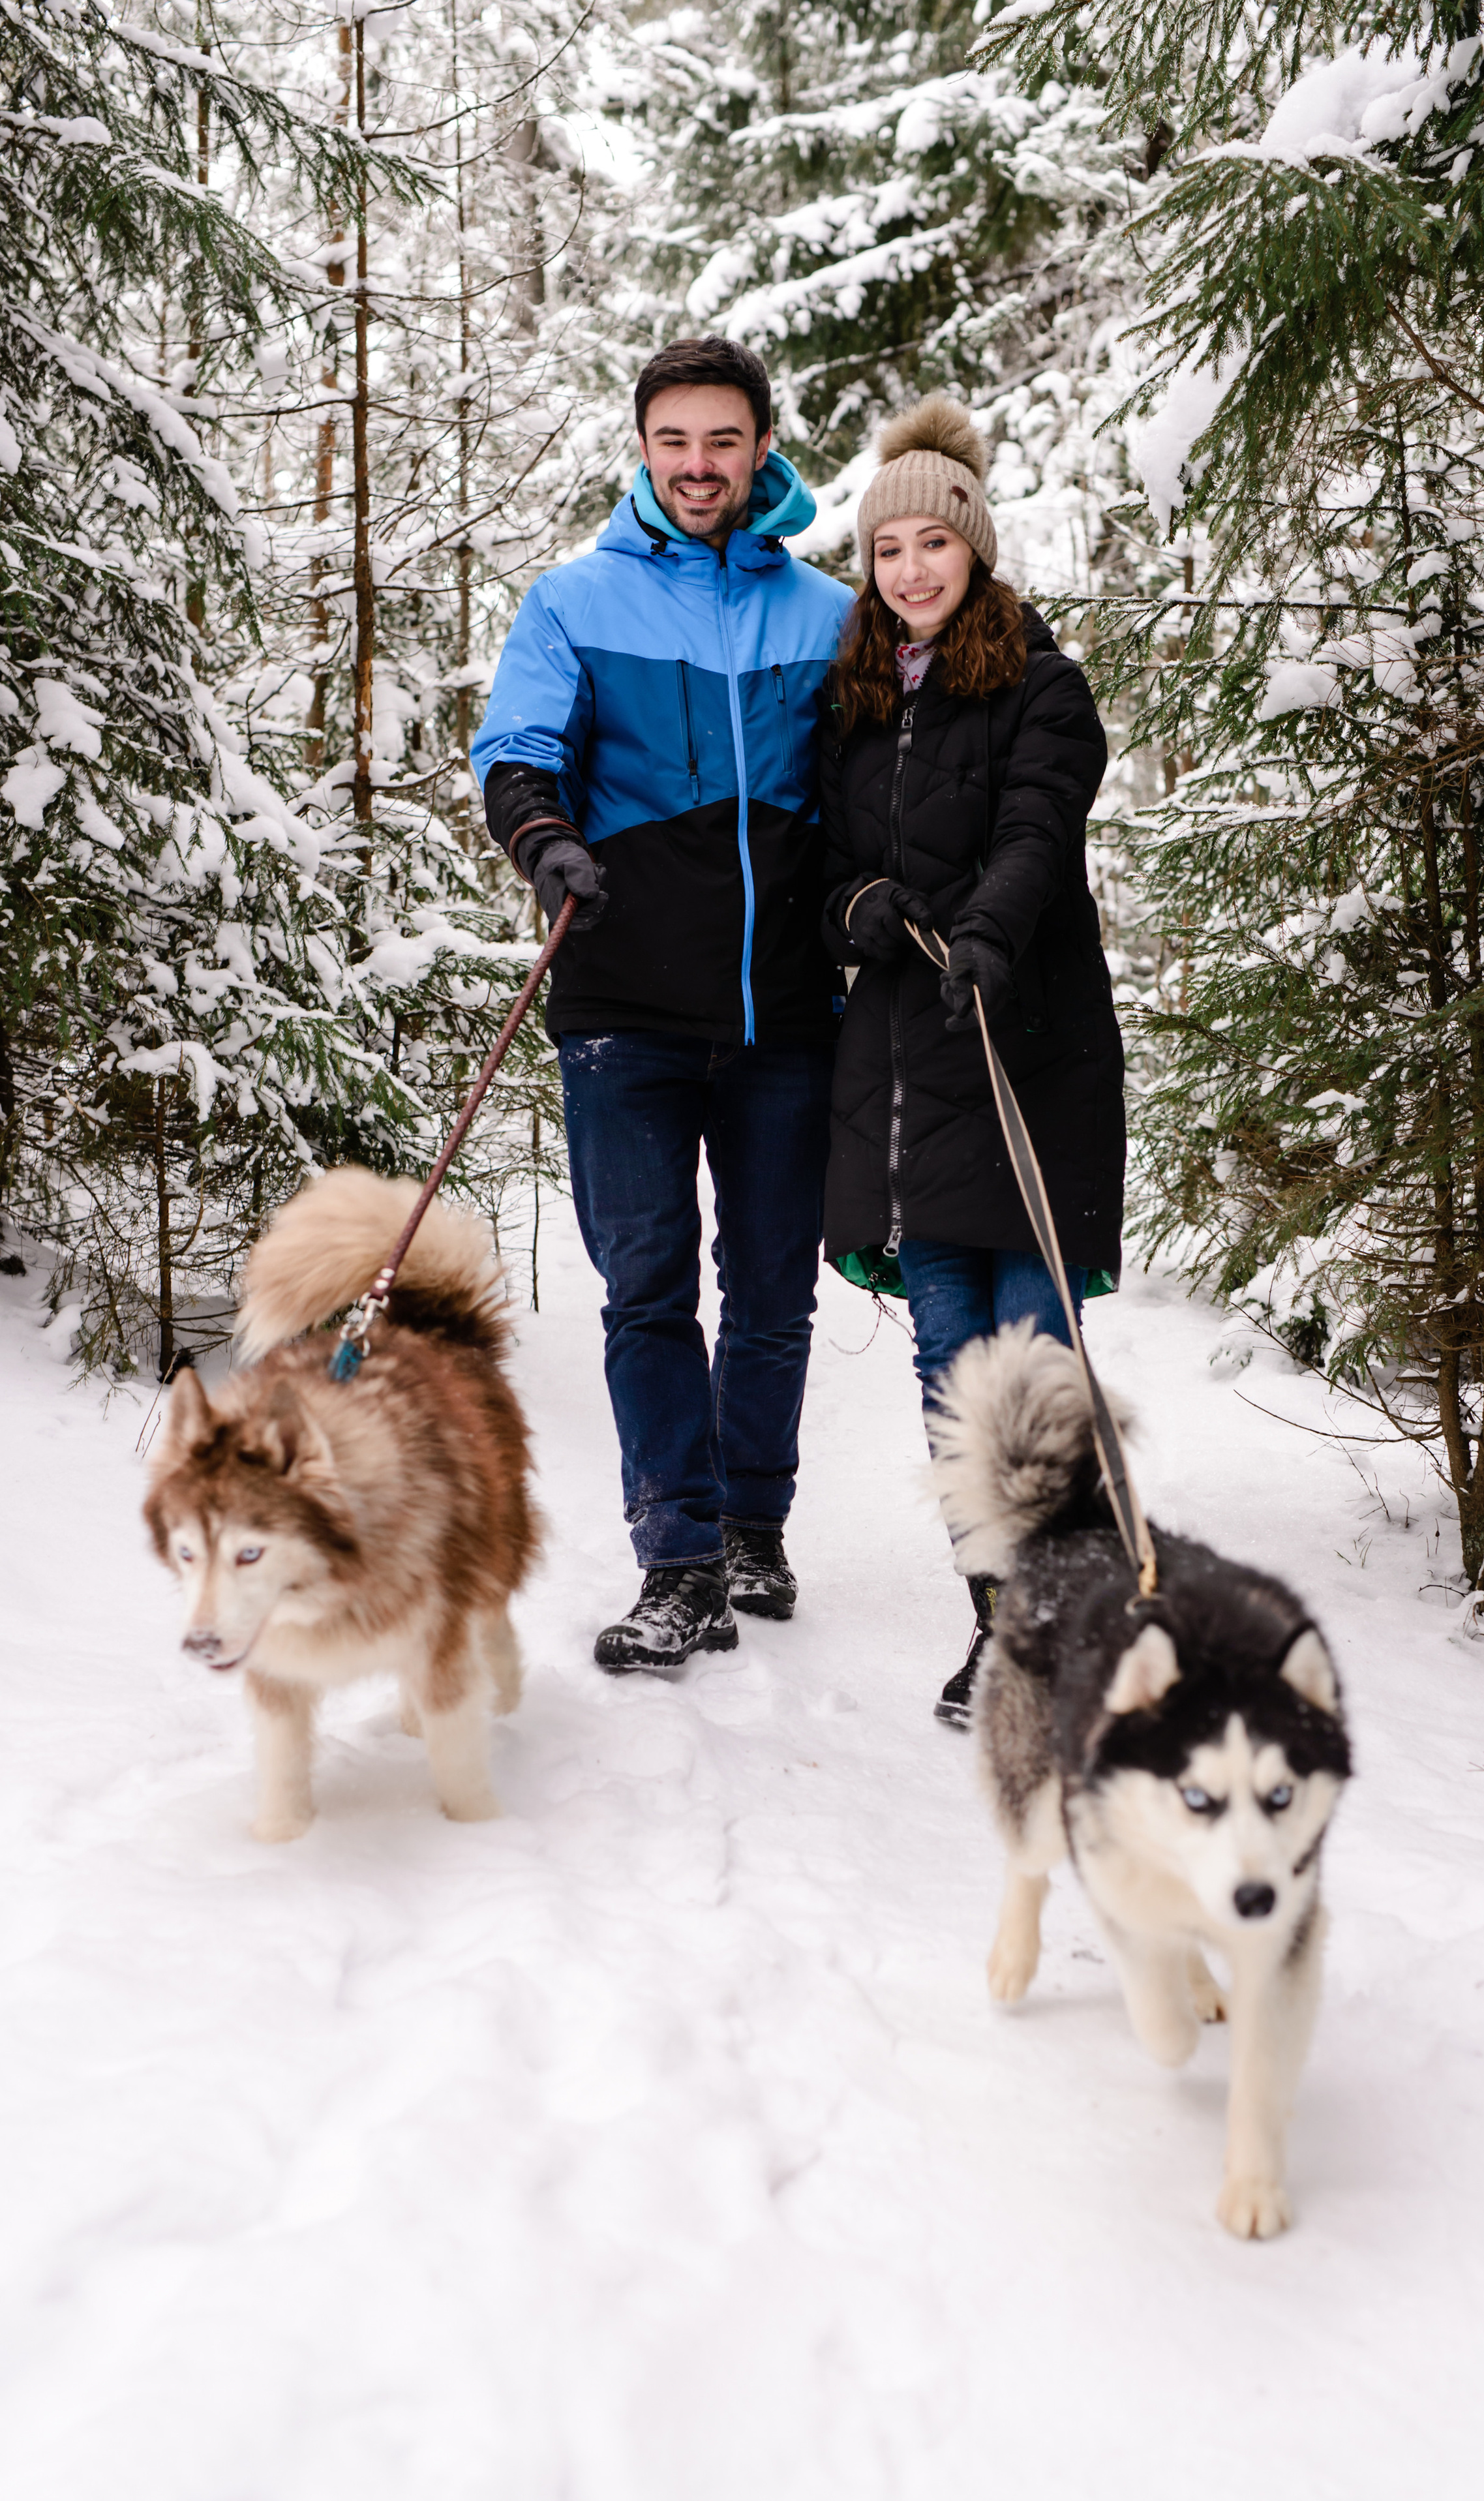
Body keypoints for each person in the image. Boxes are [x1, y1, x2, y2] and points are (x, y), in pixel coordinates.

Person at [471, 337, 852, 1671]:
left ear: (761, 449)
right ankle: (676, 1560)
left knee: (772, 1291)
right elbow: (516, 748)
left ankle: (752, 1528)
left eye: (723, 441)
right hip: (621, 1005)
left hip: (785, 1012)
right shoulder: (574, 602)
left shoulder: (827, 615)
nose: (699, 465)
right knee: (646, 1290)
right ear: (643, 449)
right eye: (675, 441)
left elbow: (880, 779)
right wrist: (544, 838)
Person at [819, 395, 1124, 1727]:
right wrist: (860, 907)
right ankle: (1000, 1627)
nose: (910, 570)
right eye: (888, 551)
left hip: (1028, 1054)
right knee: (952, 1374)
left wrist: (988, 934)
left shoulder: (1044, 687)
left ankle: (1069, 1622)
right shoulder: (851, 700)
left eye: (933, 544)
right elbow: (818, 863)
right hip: (907, 1078)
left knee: (1032, 1360)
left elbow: (1038, 826)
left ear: (975, 547)